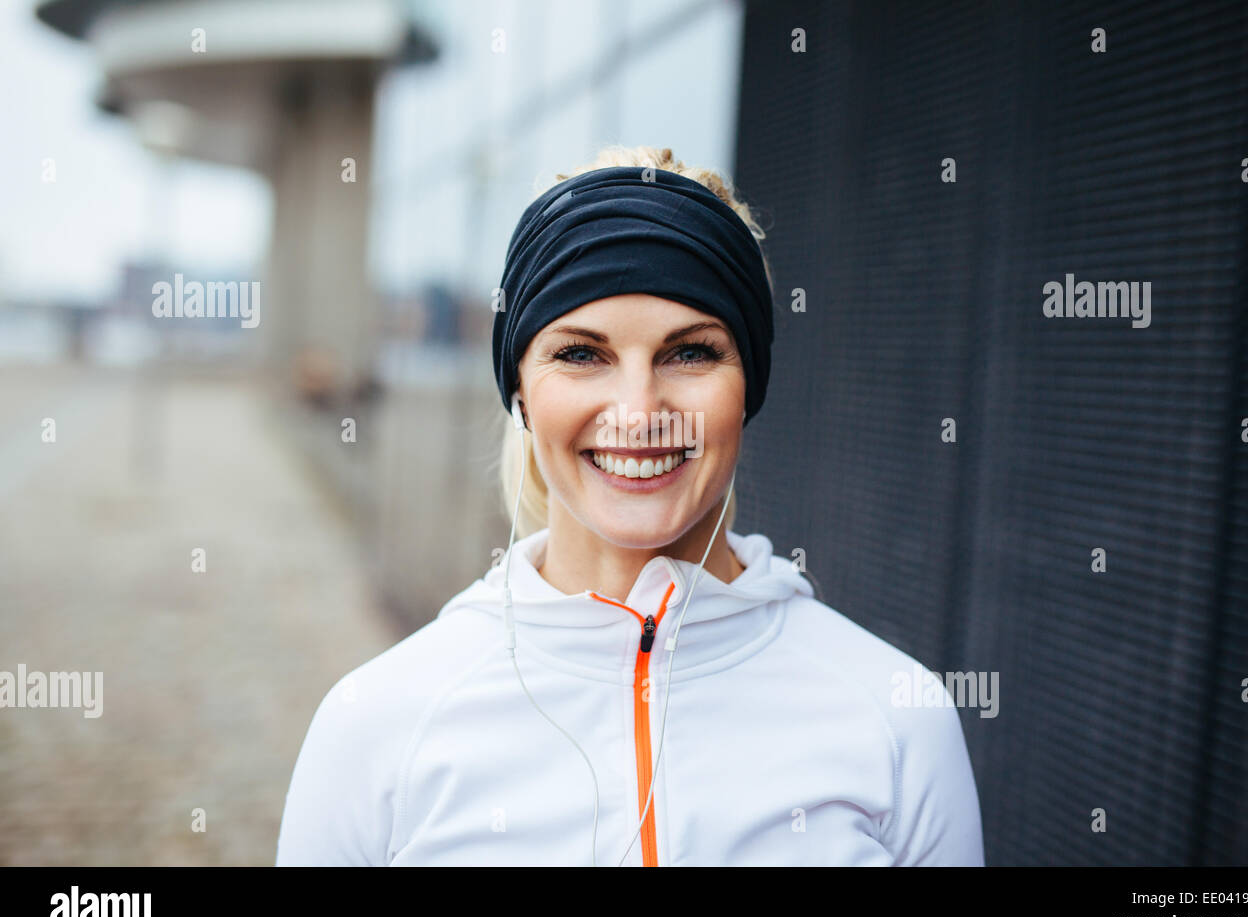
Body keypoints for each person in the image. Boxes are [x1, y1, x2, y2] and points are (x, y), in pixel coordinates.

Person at [275, 145, 984, 866]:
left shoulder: (896, 717)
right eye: (582, 354)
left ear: (751, 387)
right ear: (519, 389)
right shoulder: (378, 724)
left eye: (691, 353)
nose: (640, 413)